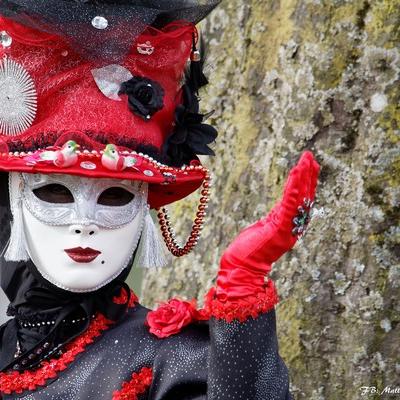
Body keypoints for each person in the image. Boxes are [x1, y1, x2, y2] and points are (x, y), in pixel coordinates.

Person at [0, 1, 320, 399]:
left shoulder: (174, 358)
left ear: (145, 211)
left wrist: (243, 286)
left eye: (115, 196)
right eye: (54, 192)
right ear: (13, 202)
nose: (84, 223)